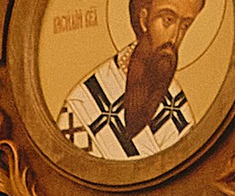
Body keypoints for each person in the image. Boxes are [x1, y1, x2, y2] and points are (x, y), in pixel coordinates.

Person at [56, 0, 207, 164]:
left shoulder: (178, 109)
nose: (174, 37)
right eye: (167, 20)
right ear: (144, 20)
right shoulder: (84, 103)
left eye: (184, 26)